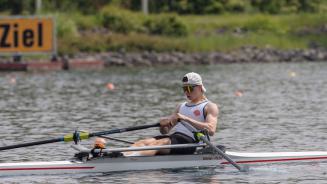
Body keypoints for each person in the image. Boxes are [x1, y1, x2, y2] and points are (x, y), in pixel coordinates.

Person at [125, 72, 219, 156]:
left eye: (189, 88)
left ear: (199, 87)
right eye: (184, 89)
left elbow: (211, 130)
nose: (186, 92)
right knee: (142, 142)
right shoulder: (181, 106)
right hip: (175, 138)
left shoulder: (209, 106)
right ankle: (121, 155)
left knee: (160, 143)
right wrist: (163, 125)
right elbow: (165, 132)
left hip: (191, 143)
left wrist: (185, 118)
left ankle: (129, 159)